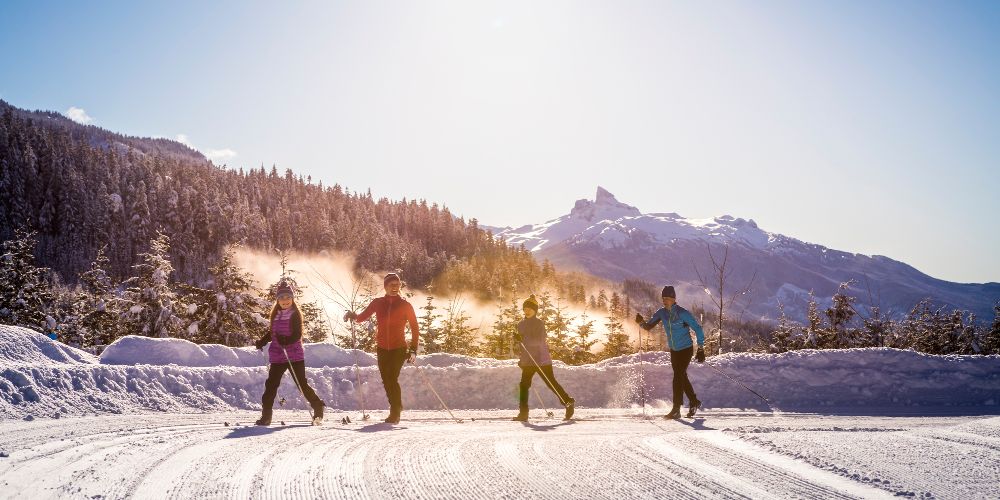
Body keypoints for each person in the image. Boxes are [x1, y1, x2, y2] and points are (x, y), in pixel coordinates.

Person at [343, 273, 419, 424]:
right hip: (382, 348)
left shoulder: (405, 305)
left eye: (397, 285)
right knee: (386, 380)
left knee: (392, 378)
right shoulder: (378, 303)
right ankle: (396, 407)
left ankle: (395, 411)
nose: (395, 288)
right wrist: (352, 315)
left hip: (399, 349)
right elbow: (361, 317)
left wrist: (413, 350)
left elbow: (415, 328)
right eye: (391, 285)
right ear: (385, 287)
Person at [253, 280, 325, 425]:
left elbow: (297, 334)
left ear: (292, 299)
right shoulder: (276, 314)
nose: (285, 301)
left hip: (294, 355)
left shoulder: (295, 315)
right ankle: (266, 416)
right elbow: (272, 332)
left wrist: (287, 340)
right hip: (278, 355)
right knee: (271, 385)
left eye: (288, 297)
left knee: (301, 384)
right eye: (282, 298)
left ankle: (318, 407)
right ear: (277, 300)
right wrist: (262, 341)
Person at [635, 285, 705, 419]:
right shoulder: (662, 313)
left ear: (674, 299)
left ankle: (676, 409)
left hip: (686, 349)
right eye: (663, 298)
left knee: (678, 376)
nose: (665, 300)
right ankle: (694, 401)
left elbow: (697, 328)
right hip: (674, 350)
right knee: (681, 376)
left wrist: (700, 348)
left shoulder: (682, 313)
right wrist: (641, 322)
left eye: (667, 298)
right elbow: (649, 326)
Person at [512, 294, 575, 422]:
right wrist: (521, 358)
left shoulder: (539, 323)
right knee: (523, 386)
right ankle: (523, 413)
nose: (527, 310)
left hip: (541, 359)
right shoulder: (520, 324)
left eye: (530, 308)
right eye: (525, 308)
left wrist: (522, 339)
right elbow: (522, 346)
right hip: (528, 361)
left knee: (551, 383)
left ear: (535, 310)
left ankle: (568, 402)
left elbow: (538, 341)